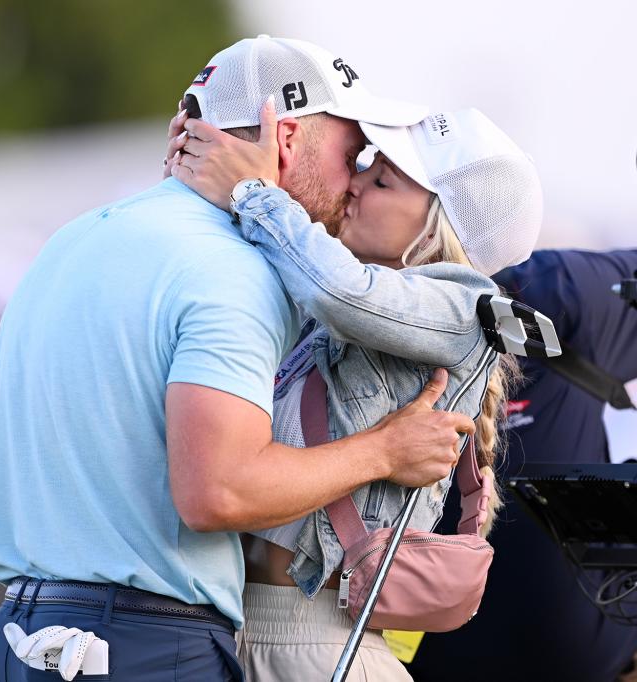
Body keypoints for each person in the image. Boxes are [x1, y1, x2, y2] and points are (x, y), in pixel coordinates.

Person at [0, 36, 476, 682]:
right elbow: (219, 489)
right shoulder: (230, 271)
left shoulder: (76, 238)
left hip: (25, 631)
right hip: (143, 644)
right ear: (288, 138)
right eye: (353, 153)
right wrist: (384, 451)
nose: (357, 180)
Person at [166, 101, 542, 679]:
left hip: (320, 643)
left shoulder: (464, 306)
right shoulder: (325, 286)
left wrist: (253, 190)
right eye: (365, 164)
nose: (356, 183)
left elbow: (341, 293)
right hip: (246, 627)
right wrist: (187, 178)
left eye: (383, 178)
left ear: (436, 226)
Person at [406, 248, 637, 681]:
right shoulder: (340, 300)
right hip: (405, 653)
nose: (357, 188)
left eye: (383, 180)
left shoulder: (565, 292)